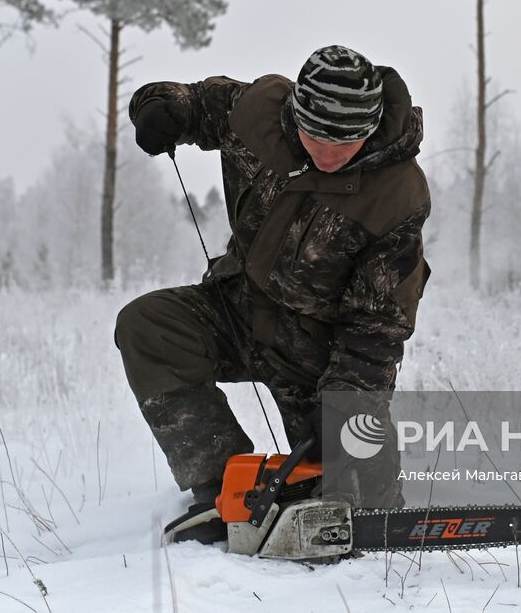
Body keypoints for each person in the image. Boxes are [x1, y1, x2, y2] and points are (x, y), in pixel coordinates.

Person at [115, 45, 431, 542]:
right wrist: (159, 109)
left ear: (369, 131)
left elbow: (376, 327)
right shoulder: (258, 110)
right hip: (236, 308)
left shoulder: (398, 195)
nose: (327, 154)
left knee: (362, 506)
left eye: (345, 142)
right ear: (294, 115)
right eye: (315, 136)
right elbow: (191, 103)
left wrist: (346, 403)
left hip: (318, 352)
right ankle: (223, 490)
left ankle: (363, 509)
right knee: (149, 324)